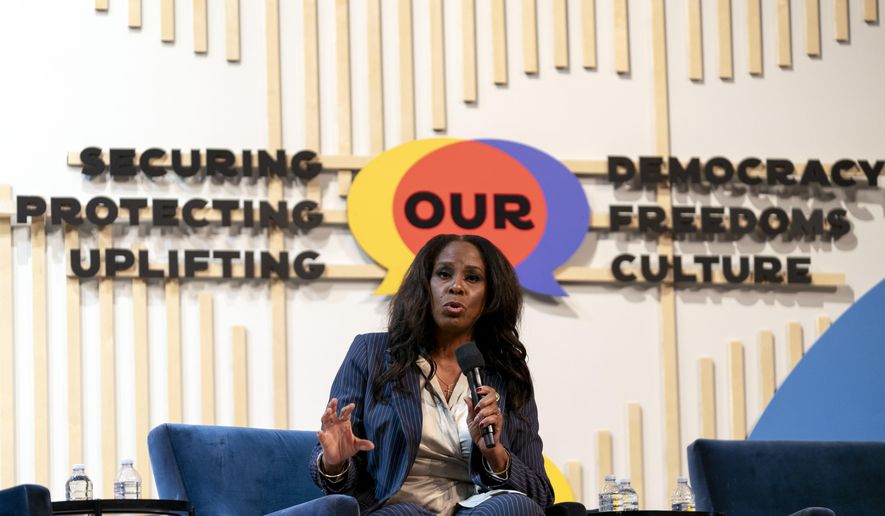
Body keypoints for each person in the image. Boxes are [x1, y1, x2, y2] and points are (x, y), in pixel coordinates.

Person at [309, 234, 554, 515]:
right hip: (398, 507)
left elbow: (541, 494)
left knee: (515, 506)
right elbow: (332, 469)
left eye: (472, 278)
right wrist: (335, 463)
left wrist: (495, 454)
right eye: (444, 274)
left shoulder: (506, 374)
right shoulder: (371, 353)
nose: (456, 286)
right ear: (425, 285)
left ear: (490, 296)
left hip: (476, 508)